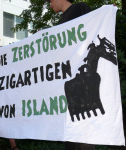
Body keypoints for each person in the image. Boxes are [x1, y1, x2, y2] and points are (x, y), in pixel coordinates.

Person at [46, 0, 95, 150]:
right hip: (67, 85)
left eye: (50, 1)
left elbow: (94, 28)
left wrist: (106, 14)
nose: (49, 5)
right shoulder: (60, 23)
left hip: (81, 83)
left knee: (83, 131)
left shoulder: (79, 8)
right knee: (70, 133)